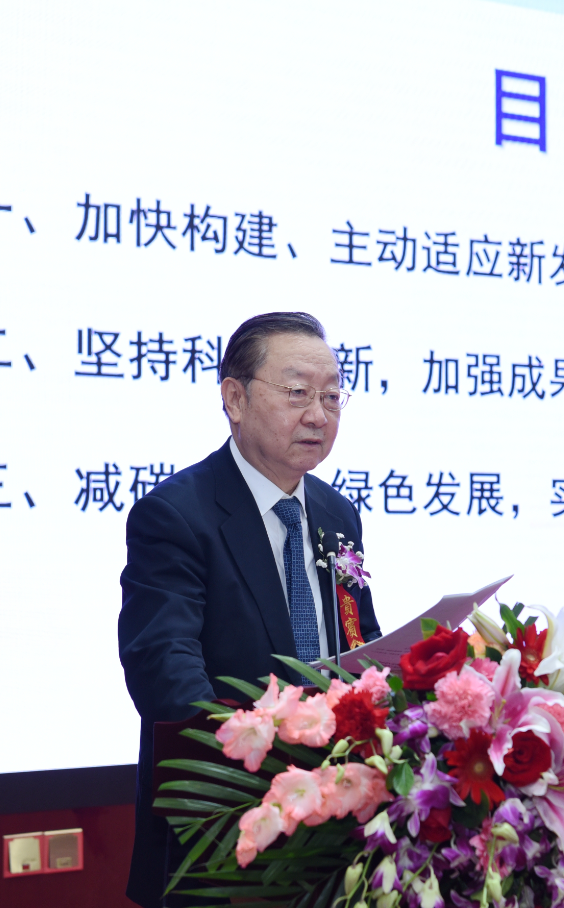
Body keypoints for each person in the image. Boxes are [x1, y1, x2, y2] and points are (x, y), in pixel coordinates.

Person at [117, 312, 381, 908]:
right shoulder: (177, 516)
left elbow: (359, 641)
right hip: (225, 835)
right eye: (298, 393)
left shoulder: (337, 514)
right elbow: (164, 672)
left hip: (337, 833)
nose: (319, 415)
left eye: (332, 396)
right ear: (235, 398)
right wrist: (269, 762)